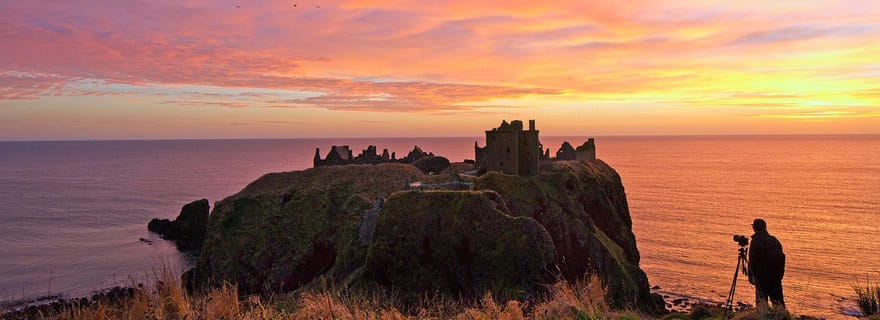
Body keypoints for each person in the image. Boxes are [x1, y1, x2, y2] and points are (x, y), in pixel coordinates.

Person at [747, 218, 786, 310]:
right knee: (778, 301)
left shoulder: (756, 241)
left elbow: (752, 260)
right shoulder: (774, 240)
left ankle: (762, 316)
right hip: (775, 276)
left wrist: (751, 276)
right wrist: (779, 275)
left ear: (755, 228)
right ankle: (782, 316)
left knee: (761, 300)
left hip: (761, 276)